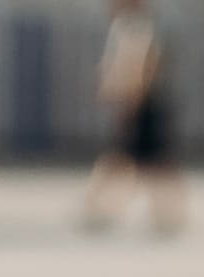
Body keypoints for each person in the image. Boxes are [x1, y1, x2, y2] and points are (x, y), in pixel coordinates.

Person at [82, 0, 180, 233]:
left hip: (141, 106)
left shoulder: (133, 27)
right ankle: (165, 215)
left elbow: (139, 65)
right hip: (142, 104)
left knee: (136, 160)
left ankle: (96, 209)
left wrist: (127, 99)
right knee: (141, 161)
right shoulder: (132, 26)